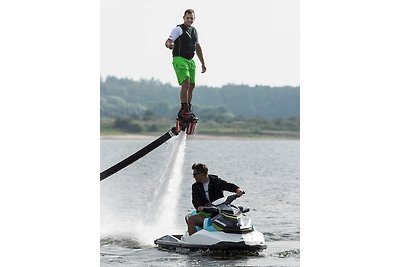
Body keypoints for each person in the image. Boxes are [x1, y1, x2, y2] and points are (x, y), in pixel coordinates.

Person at [165, 9, 206, 120]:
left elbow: (197, 47)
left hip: (190, 60)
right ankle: (183, 109)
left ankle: (188, 108)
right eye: (187, 18)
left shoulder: (194, 31)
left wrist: (203, 63)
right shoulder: (178, 29)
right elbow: (168, 41)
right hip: (179, 59)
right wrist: (170, 45)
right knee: (186, 83)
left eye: (191, 18)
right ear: (184, 18)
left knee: (192, 85)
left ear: (194, 18)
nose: (189, 20)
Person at [187, 163, 244, 236]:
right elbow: (195, 199)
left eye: (195, 174)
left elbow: (228, 185)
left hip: (220, 210)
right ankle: (193, 240)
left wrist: (238, 190)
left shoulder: (216, 181)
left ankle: (238, 233)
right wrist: (199, 207)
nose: (193, 177)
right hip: (206, 211)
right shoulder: (195, 186)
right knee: (191, 219)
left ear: (202, 173)